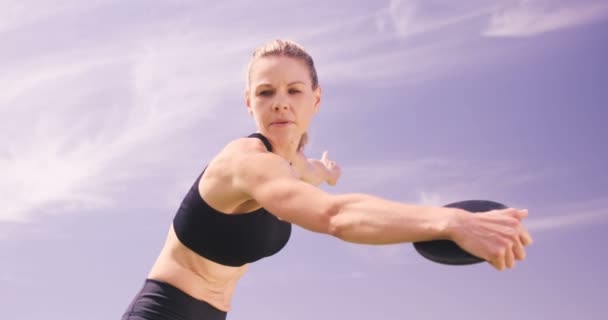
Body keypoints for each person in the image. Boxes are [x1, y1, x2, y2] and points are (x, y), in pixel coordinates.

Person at [121, 39, 533, 320]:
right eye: (265, 92)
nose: (280, 101)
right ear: (250, 103)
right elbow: (335, 216)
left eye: (294, 90)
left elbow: (309, 173)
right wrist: (451, 221)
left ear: (316, 98)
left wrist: (325, 172)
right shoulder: (246, 163)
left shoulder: (293, 166)